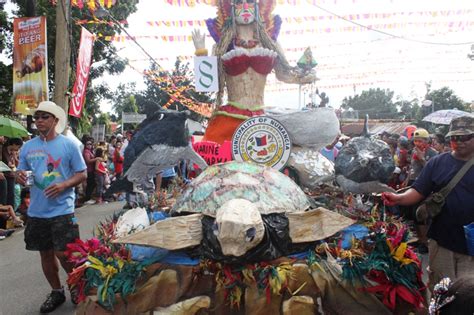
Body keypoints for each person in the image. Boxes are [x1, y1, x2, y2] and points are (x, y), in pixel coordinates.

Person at [192, 0, 316, 144]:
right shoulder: (222, 46)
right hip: (230, 120)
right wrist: (201, 53)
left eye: (250, 1)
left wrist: (304, 75)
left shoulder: (270, 43)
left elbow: (284, 74)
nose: (245, 7)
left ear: (259, 6)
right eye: (239, 2)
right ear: (229, 8)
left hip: (261, 118)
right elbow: (209, 85)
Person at [382, 116, 474, 292]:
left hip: (471, 245)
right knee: (441, 290)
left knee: (468, 296)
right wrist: (398, 198)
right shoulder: (438, 162)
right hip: (442, 240)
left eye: (465, 137)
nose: (458, 142)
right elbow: (418, 191)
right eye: (454, 138)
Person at [16, 101, 87, 313]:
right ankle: (57, 291)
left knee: (65, 254)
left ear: (55, 120)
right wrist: (20, 176)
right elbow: (22, 172)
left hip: (62, 210)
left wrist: (64, 185)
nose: (38, 121)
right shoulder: (28, 147)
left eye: (44, 117)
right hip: (37, 211)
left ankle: (76, 286)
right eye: (36, 117)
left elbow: (82, 173)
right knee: (45, 254)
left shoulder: (69, 145)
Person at [1, 137, 23, 209]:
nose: (18, 149)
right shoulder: (2, 150)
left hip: (11, 175)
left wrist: (14, 157)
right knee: (4, 195)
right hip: (4, 175)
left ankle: (12, 212)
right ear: (13, 144)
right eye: (18, 146)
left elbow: (16, 165)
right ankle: (5, 212)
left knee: (11, 194)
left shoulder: (13, 152)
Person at [82, 139, 99, 204]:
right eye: (88, 144)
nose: (89, 145)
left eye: (90, 144)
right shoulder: (86, 152)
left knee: (92, 184)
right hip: (88, 170)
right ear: (85, 145)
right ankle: (87, 197)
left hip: (91, 170)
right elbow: (88, 161)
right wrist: (96, 159)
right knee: (91, 184)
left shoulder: (90, 151)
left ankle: (88, 197)